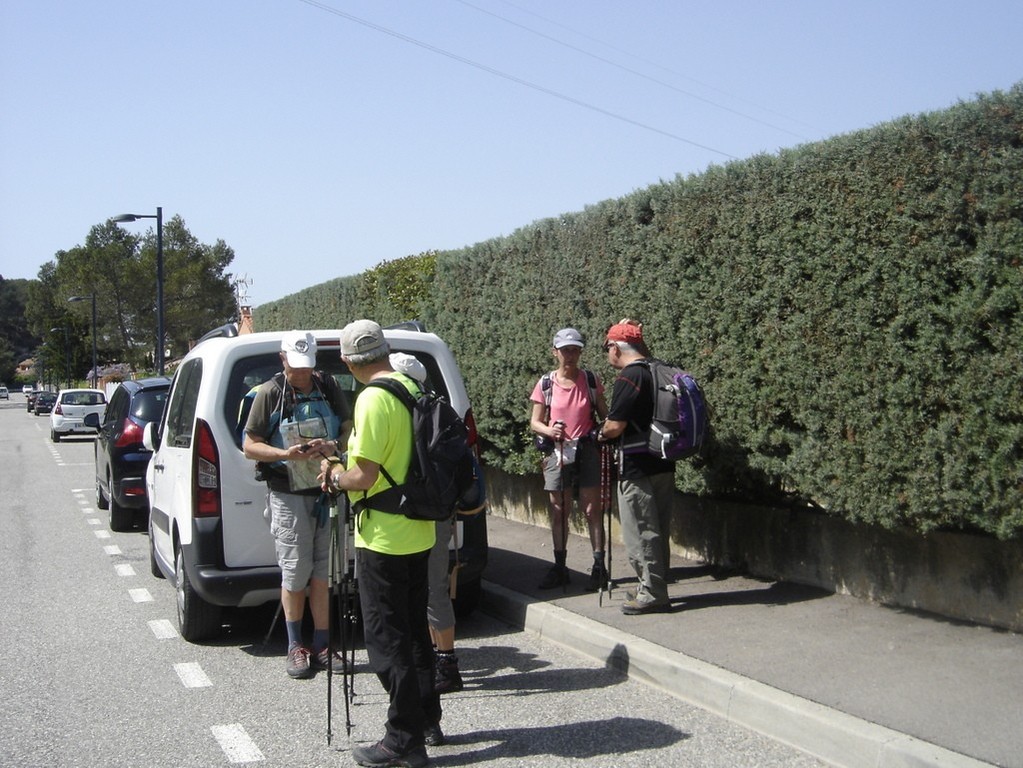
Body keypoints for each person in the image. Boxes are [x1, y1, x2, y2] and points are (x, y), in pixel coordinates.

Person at [321, 321, 440, 768]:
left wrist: (334, 475)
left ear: (350, 362)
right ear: (386, 351)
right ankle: (427, 719)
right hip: (420, 529)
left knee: (387, 641)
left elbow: (363, 477)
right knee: (413, 634)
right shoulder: (412, 386)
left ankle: (403, 740)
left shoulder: (371, 398)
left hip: (383, 535)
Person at [242, 331, 352, 678]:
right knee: (294, 573)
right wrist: (284, 454)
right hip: (287, 495)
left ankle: (322, 644)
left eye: (307, 366)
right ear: (283, 359)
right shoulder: (269, 393)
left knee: (323, 572)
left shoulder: (328, 385)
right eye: (295, 365)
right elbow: (249, 445)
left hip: (325, 491)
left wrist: (334, 446)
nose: (302, 373)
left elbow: (348, 426)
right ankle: (295, 646)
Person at [390, 352, 464, 695]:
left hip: (405, 513)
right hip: (439, 509)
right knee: (435, 587)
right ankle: (445, 662)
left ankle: (428, 663)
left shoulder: (396, 409)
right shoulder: (437, 408)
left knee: (409, 591)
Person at [597, 319, 674, 615]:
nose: (607, 353)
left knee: (642, 531)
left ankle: (653, 593)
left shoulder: (630, 377)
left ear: (616, 347)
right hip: (663, 461)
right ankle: (653, 586)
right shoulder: (658, 370)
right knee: (658, 529)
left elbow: (615, 426)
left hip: (636, 467)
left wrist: (599, 434)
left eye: (607, 347)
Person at [529, 327, 609, 591]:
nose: (570, 355)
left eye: (575, 350)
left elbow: (604, 415)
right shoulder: (545, 384)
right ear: (555, 352)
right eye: (565, 350)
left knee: (591, 509)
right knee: (558, 510)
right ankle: (560, 566)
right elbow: (535, 422)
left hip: (586, 449)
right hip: (558, 450)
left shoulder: (591, 380)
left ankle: (599, 567)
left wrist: (603, 432)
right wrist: (550, 431)